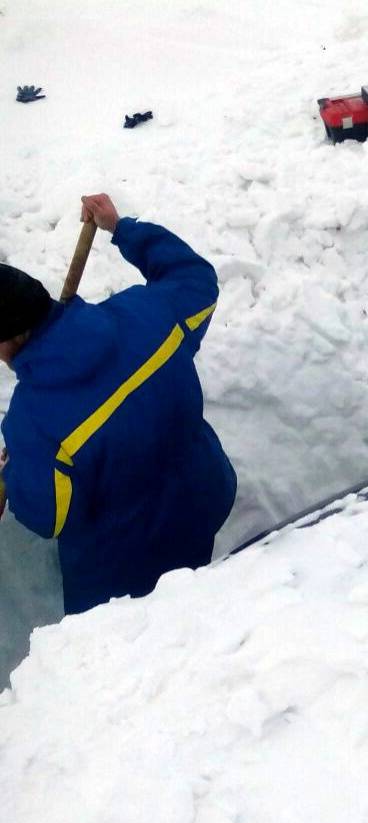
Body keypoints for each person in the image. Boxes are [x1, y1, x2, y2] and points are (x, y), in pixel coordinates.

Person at [0, 194, 236, 615]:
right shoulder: (147, 313)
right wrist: (120, 227)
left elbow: (48, 515)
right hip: (202, 504)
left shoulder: (32, 423)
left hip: (123, 577)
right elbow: (195, 277)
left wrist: (15, 470)